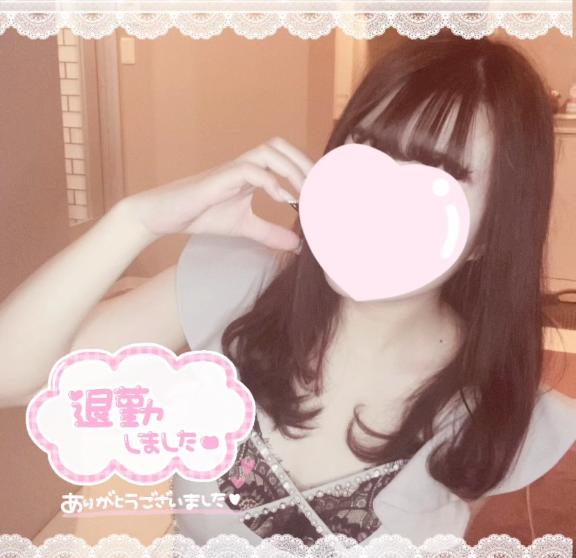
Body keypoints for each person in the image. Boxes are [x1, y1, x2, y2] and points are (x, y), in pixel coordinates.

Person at [0, 35, 574, 546]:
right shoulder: (235, 284)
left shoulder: (501, 415)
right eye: (366, 148)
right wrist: (136, 221)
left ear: (489, 234)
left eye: (436, 177)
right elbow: (9, 376)